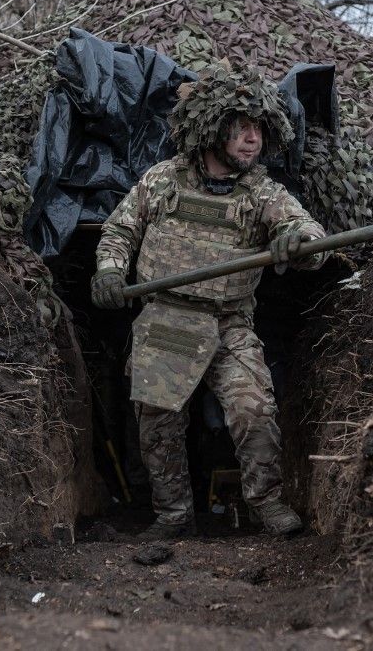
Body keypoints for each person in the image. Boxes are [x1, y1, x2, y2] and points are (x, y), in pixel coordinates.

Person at [90, 62, 326, 538]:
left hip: (229, 324)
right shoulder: (163, 181)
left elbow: (305, 230)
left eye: (257, 129)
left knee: (253, 410)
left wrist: (298, 242)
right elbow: (119, 229)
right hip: (168, 318)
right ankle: (173, 516)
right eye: (240, 129)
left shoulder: (260, 191)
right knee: (159, 423)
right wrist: (110, 271)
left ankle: (267, 503)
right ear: (212, 130)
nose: (251, 140)